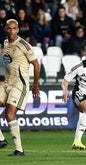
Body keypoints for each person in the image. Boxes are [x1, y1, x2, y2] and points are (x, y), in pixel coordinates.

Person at [0, 19, 40, 156]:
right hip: (6, 82)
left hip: (20, 83)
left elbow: (36, 65)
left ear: (18, 30)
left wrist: (35, 85)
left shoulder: (24, 45)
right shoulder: (5, 43)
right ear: (6, 29)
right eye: (9, 28)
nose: (11, 31)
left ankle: (19, 149)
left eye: (14, 28)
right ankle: (1, 139)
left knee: (9, 114)